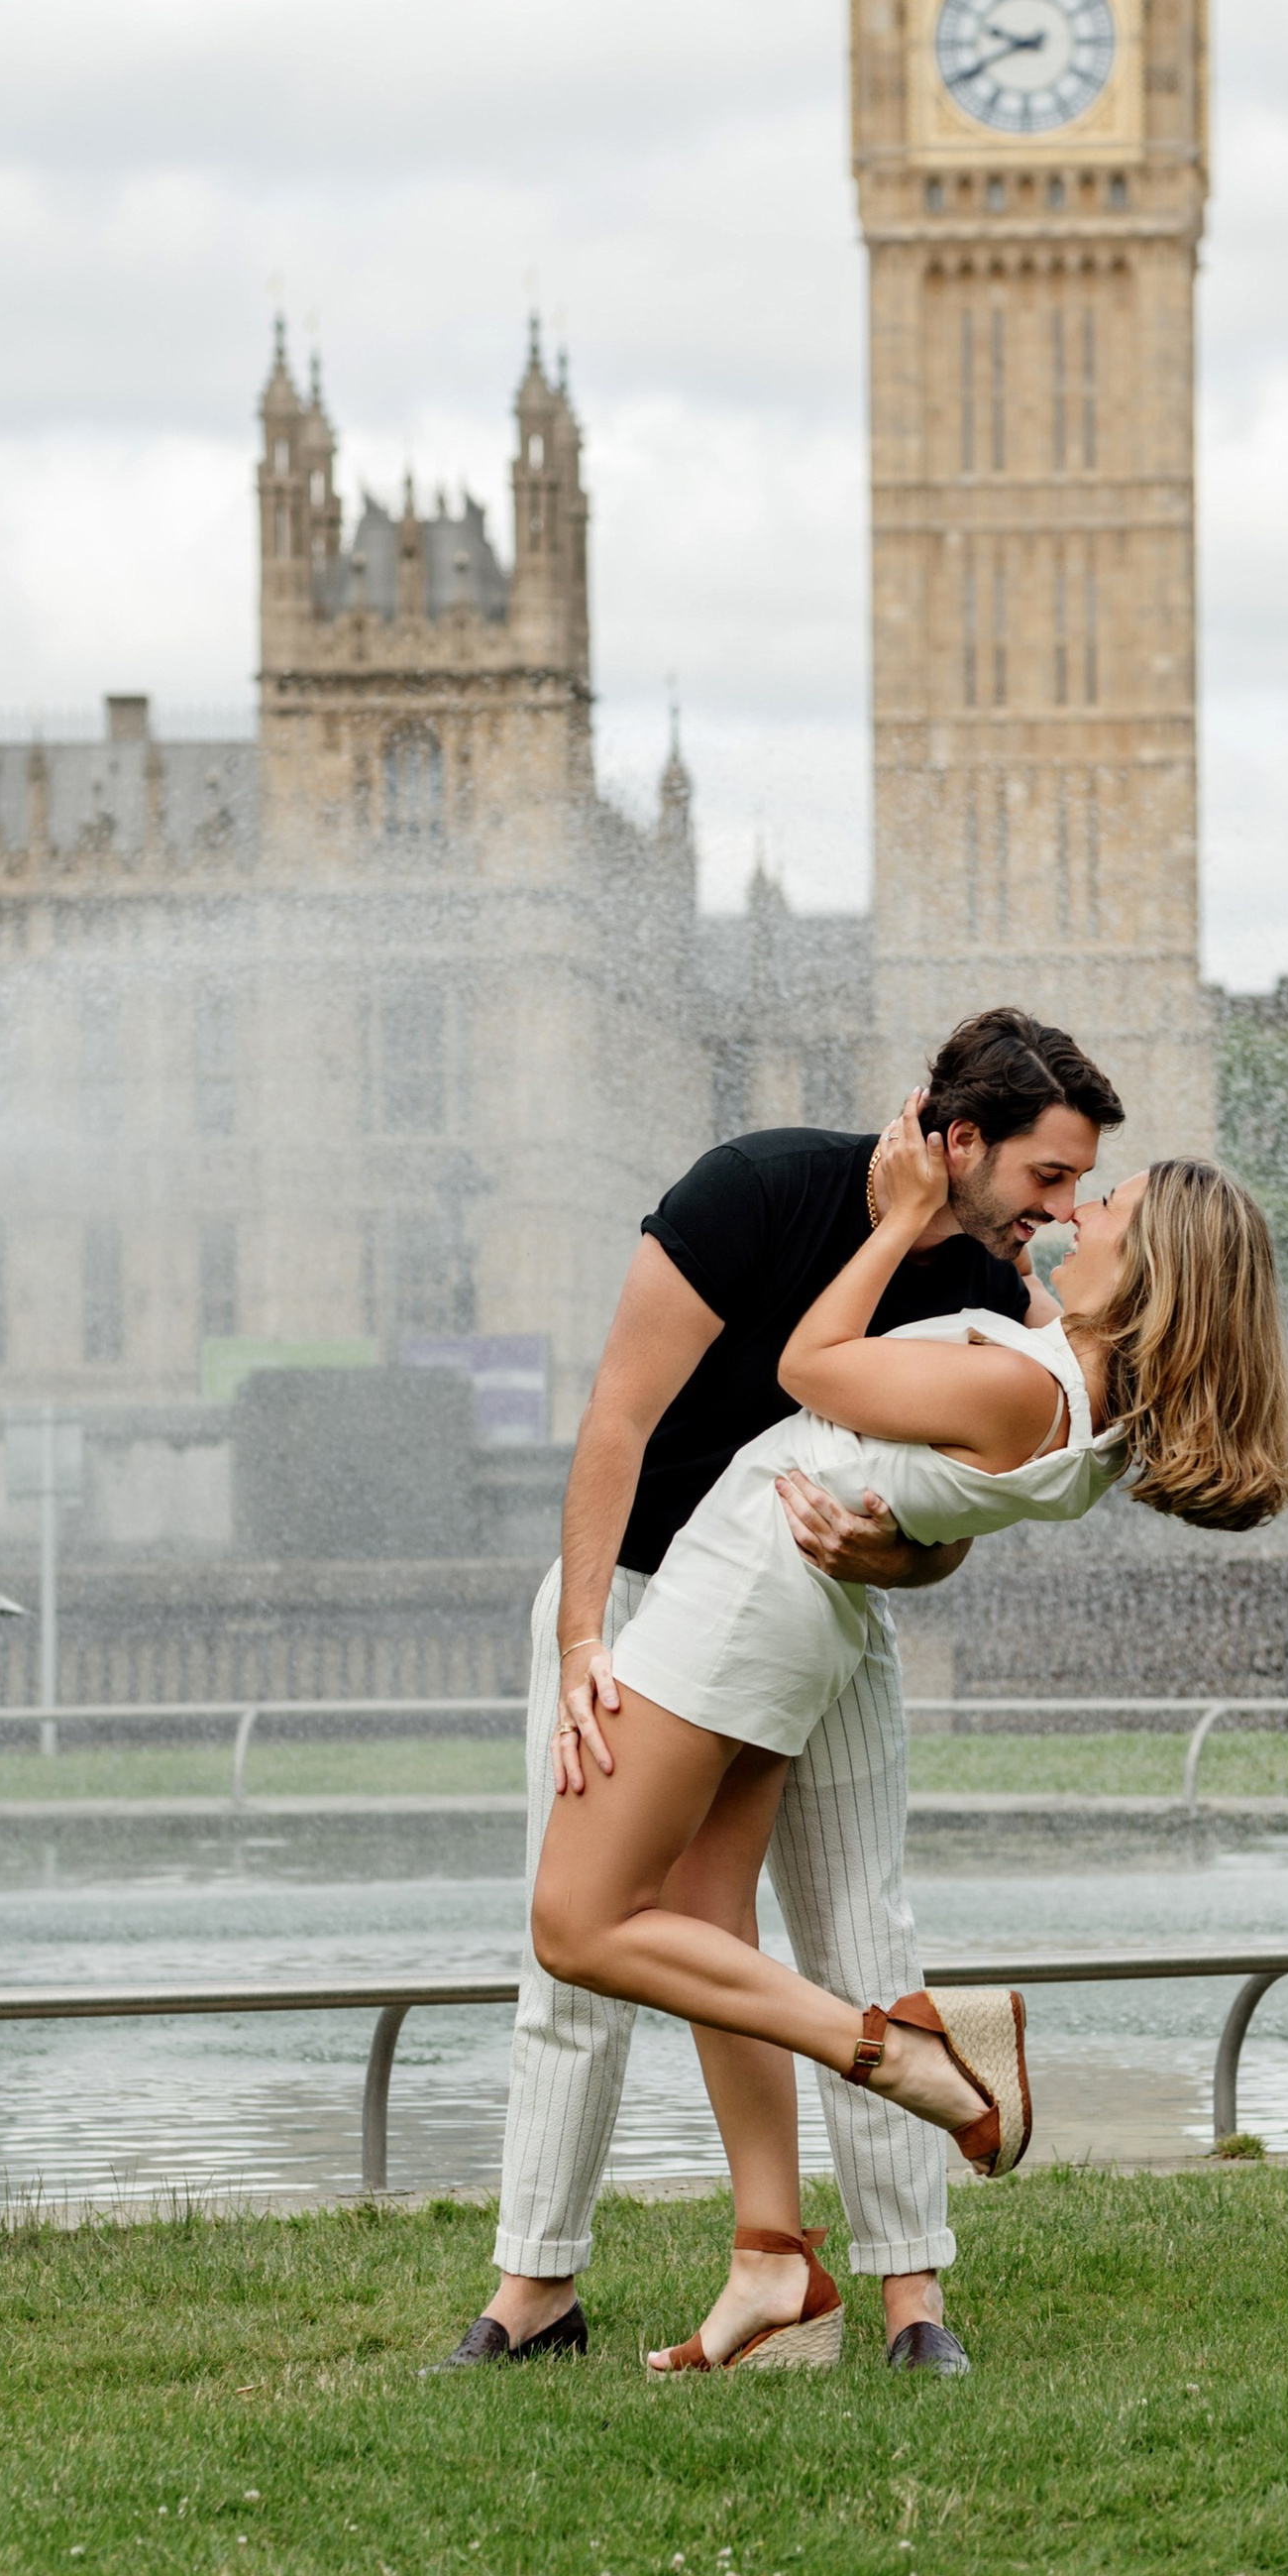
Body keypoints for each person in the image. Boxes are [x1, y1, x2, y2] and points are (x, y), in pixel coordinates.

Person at [527, 1108, 1288, 2373]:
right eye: (1064, 1184)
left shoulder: (1024, 1385)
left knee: (579, 1922)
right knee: (709, 1916)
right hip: (789, 1591)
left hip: (742, 1589)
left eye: (1104, 1206)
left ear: (1150, 1268)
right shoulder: (1080, 1394)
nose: (1074, 1212)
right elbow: (935, 1493)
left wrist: (893, 1224)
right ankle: (774, 2268)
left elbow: (809, 1364)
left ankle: (900, 2051)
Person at [430, 1006, 1125, 2377]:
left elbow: (949, 1521)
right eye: (1047, 1175)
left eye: (1076, 1186)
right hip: (634, 1599)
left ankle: (911, 2299)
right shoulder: (752, 1188)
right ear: (961, 1139)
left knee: (856, 1924)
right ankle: (537, 2290)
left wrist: (894, 1559)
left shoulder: (988, 1292)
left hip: (823, 1611)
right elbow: (616, 1421)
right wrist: (581, 1643)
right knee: (589, 1954)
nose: (1056, 1213)